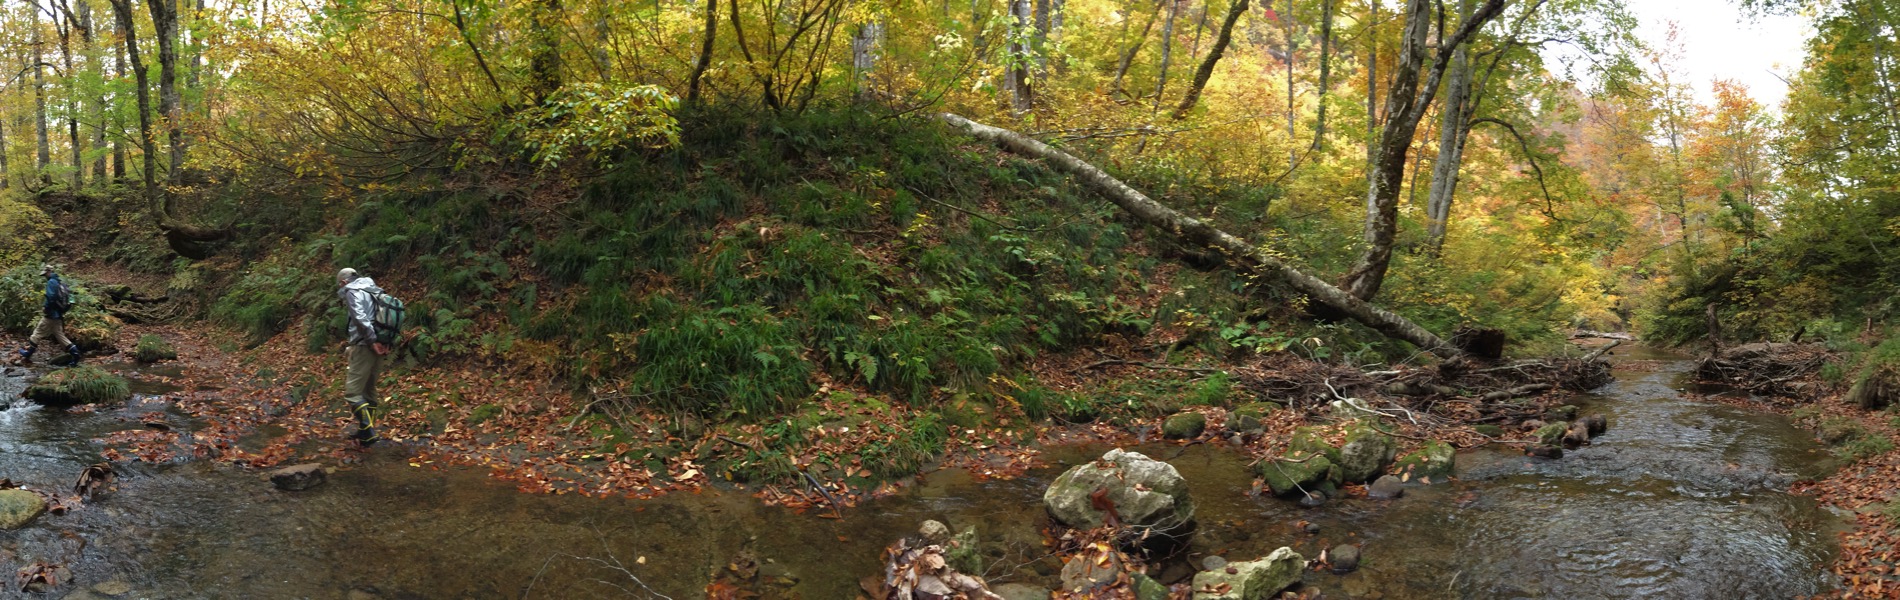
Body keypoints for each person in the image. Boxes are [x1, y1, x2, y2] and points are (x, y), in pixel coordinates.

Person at [337, 268, 390, 445]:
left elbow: (360, 317)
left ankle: (369, 430)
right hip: (381, 344)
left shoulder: (353, 291)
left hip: (364, 345)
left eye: (340, 284)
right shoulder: (375, 288)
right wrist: (382, 341)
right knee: (369, 391)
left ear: (344, 282)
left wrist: (371, 340)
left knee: (352, 393)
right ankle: (365, 432)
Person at [19, 264, 80, 366]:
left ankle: (27, 353)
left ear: (48, 272)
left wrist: (46, 308)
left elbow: (50, 297)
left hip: (51, 314)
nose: (45, 276)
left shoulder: (51, 282)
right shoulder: (60, 282)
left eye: (45, 274)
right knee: (60, 335)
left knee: (38, 332)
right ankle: (76, 355)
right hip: (59, 314)